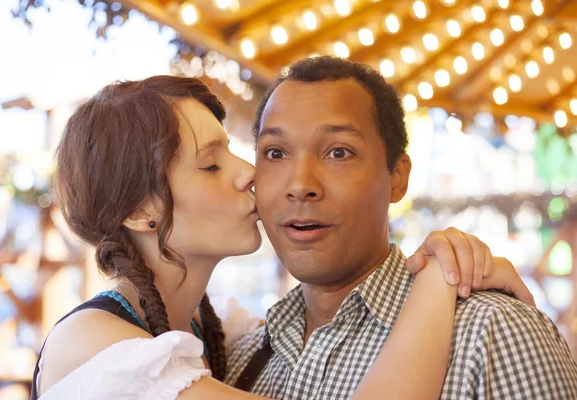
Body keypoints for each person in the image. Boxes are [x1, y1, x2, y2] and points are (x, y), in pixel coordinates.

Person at [33, 75, 530, 400]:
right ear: (142, 211)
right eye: (211, 165)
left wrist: (464, 263)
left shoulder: (228, 335)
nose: (250, 173)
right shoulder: (93, 344)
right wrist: (439, 279)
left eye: (235, 153)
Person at [225, 56, 577, 399]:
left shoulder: (493, 334)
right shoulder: (240, 360)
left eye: (338, 152)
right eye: (275, 153)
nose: (300, 184)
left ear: (397, 177)